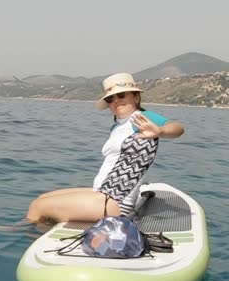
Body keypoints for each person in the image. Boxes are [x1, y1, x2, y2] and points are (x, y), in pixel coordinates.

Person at [24, 73, 185, 225]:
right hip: (103, 194)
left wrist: (160, 131)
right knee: (42, 198)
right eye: (110, 98)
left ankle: (25, 236)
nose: (116, 101)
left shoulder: (141, 118)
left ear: (136, 97)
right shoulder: (117, 126)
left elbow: (177, 128)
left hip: (116, 203)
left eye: (121, 95)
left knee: (38, 207)